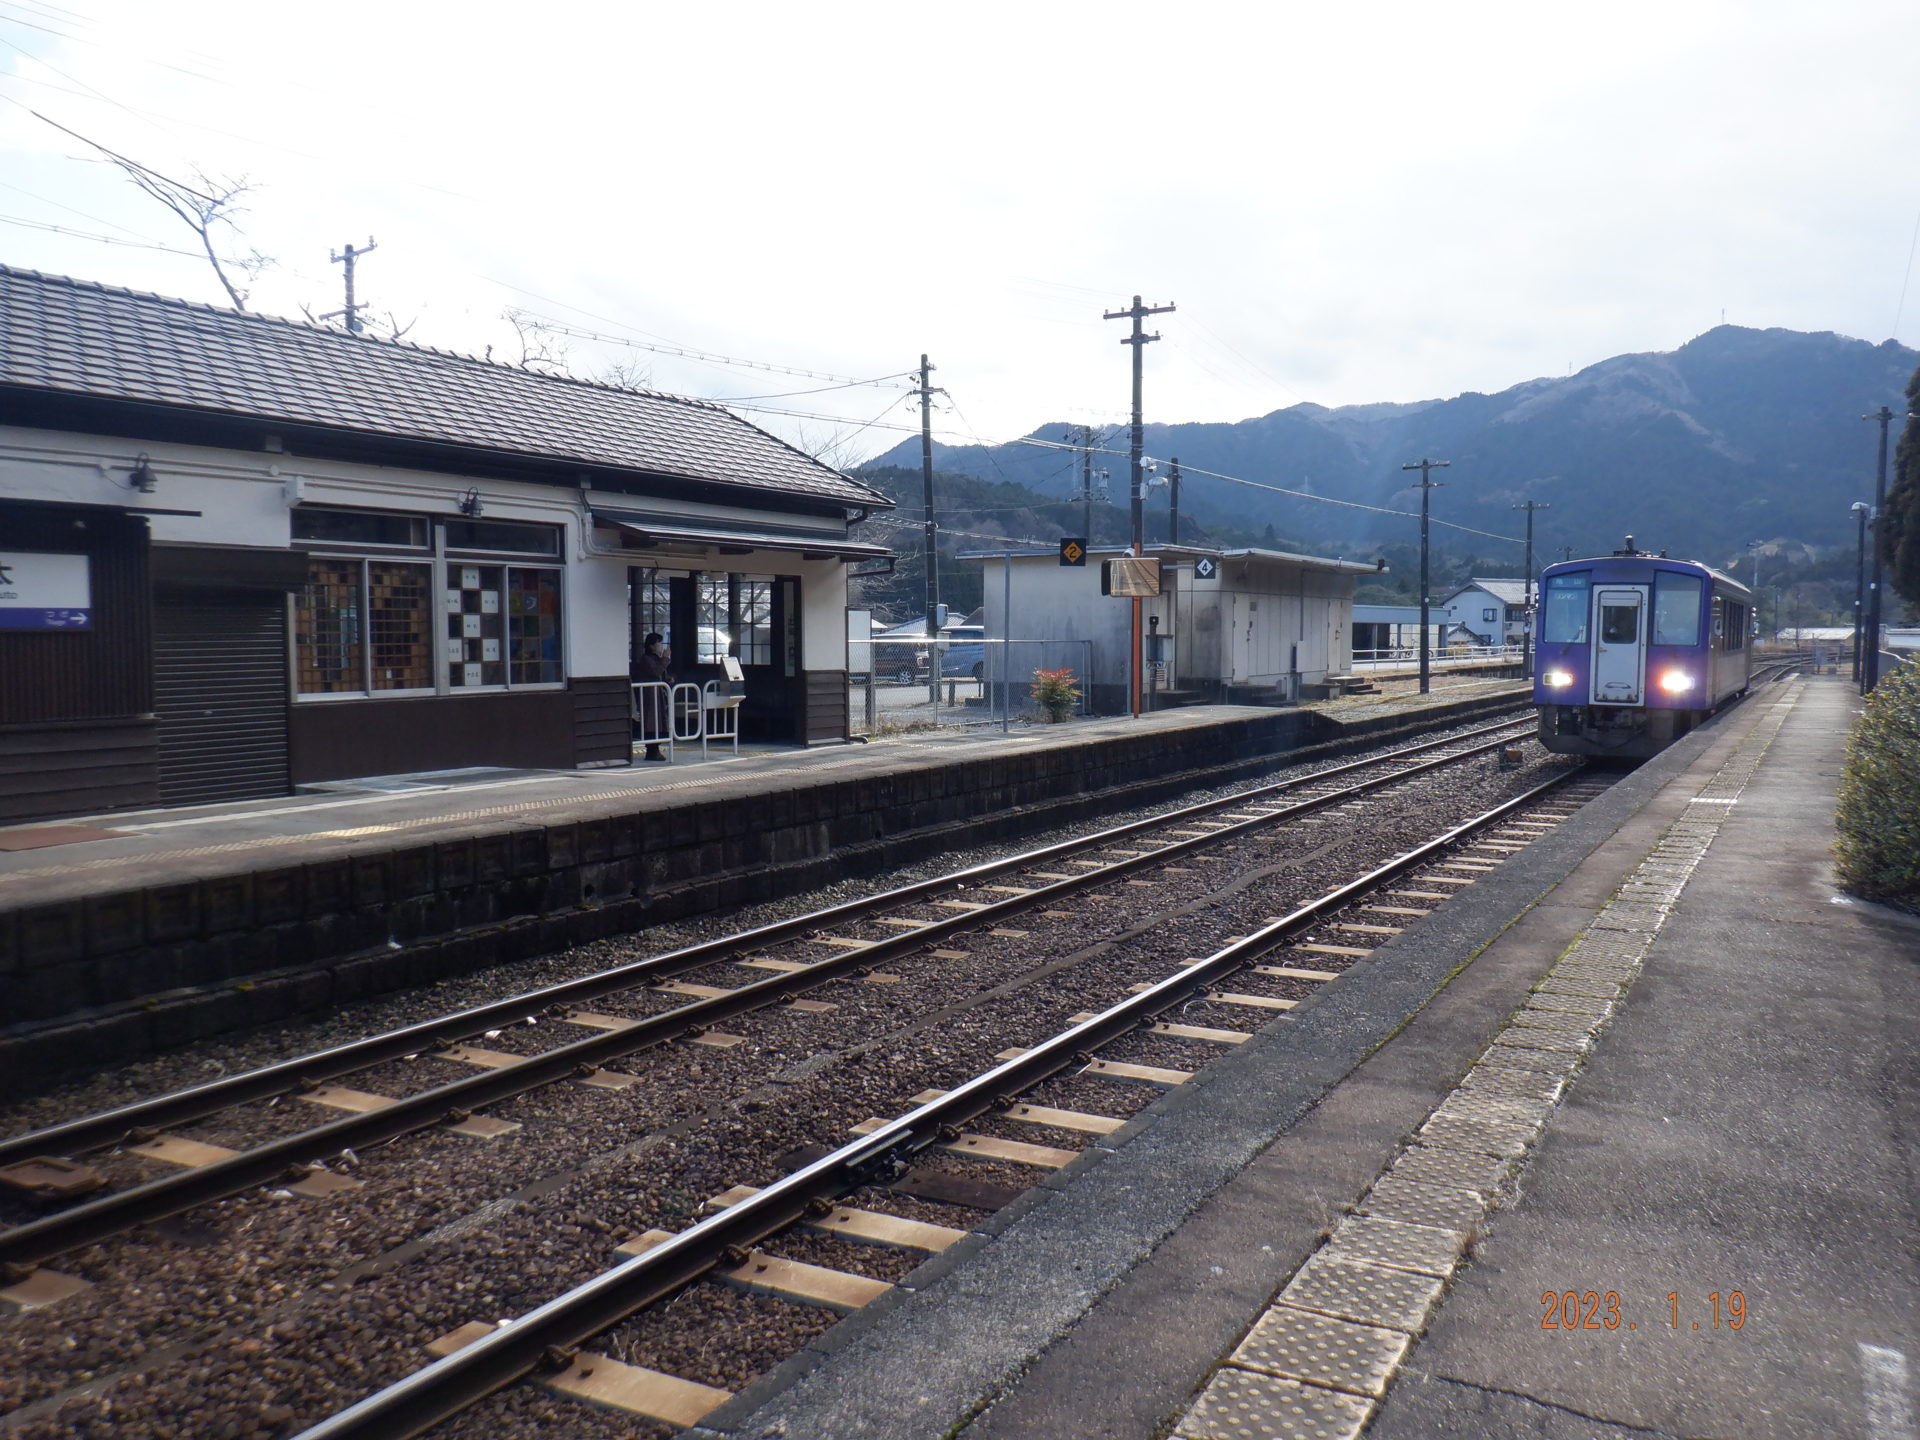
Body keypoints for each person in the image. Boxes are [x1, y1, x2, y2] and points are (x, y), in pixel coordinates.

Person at [637, 632, 673, 761]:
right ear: (651, 645)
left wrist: (668, 679)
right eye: (659, 643)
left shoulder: (656, 658)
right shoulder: (646, 658)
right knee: (651, 721)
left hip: (658, 694)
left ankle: (655, 749)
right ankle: (651, 750)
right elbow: (656, 671)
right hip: (650, 695)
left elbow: (661, 674)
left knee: (659, 721)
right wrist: (665, 659)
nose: (661, 646)